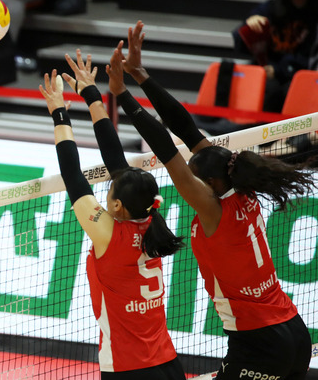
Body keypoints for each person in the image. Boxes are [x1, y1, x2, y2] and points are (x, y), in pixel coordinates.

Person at [110, 20, 313, 379]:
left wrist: (122, 95)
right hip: (292, 329)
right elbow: (186, 129)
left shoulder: (213, 209)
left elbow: (166, 146)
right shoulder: (236, 177)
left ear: (210, 184)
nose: (190, 176)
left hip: (259, 342)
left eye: (195, 177)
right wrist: (140, 75)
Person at [39, 51, 186, 378]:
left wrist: (59, 114)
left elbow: (73, 175)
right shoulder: (151, 221)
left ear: (117, 205)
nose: (105, 192)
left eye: (109, 191)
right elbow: (115, 160)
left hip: (127, 369)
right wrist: (91, 93)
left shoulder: (108, 233)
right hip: (168, 365)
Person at [232, 0, 318, 113]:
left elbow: (310, 58)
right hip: (266, 73)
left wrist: (278, 70)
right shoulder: (269, 8)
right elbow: (240, 43)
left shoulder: (314, 14)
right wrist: (250, 26)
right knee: (266, 88)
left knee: (290, 90)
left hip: (298, 76)